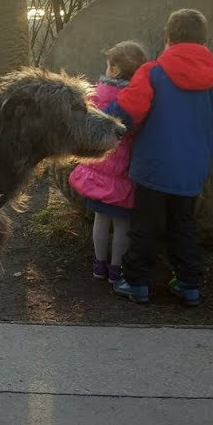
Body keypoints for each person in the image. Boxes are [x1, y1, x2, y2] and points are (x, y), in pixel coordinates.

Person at [106, 9, 213, 307]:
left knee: (144, 225)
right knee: (183, 225)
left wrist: (109, 117)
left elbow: (127, 115)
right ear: (205, 42)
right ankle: (188, 285)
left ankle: (137, 283)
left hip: (152, 167)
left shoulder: (152, 73)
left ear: (168, 38)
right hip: (191, 171)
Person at [68, 40, 148, 283]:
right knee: (122, 224)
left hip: (99, 168)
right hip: (122, 172)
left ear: (114, 68)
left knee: (100, 220)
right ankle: (116, 269)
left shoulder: (98, 93)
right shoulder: (134, 98)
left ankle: (99, 264)